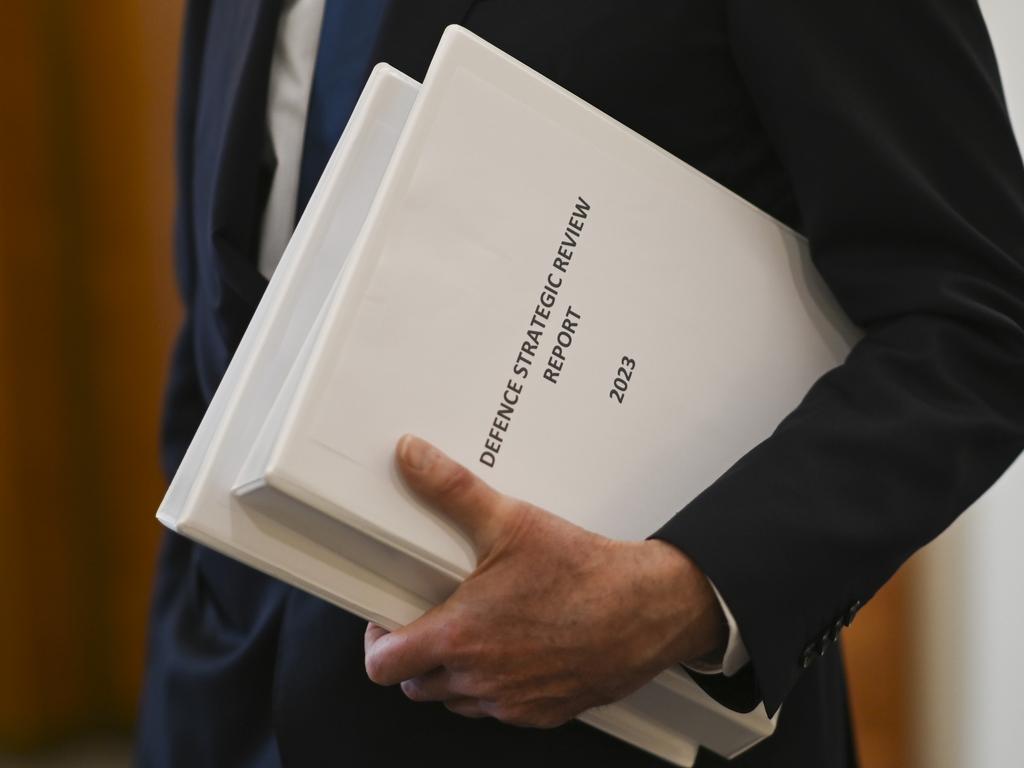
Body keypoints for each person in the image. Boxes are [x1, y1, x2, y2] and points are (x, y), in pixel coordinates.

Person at [137, 1, 1024, 766]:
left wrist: (681, 597)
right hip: (220, 708)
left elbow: (982, 322)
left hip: (610, 735)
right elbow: (226, 309)